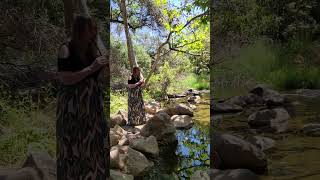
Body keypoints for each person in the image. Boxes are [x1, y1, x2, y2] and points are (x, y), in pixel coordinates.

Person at [56, 15, 109, 179]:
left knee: (95, 143)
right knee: (75, 143)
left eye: (94, 29)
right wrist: (92, 68)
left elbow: (98, 77)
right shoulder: (66, 49)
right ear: (80, 30)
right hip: (73, 105)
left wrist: (104, 67)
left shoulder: (91, 48)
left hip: (92, 103)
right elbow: (65, 78)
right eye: (90, 29)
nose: (93, 33)